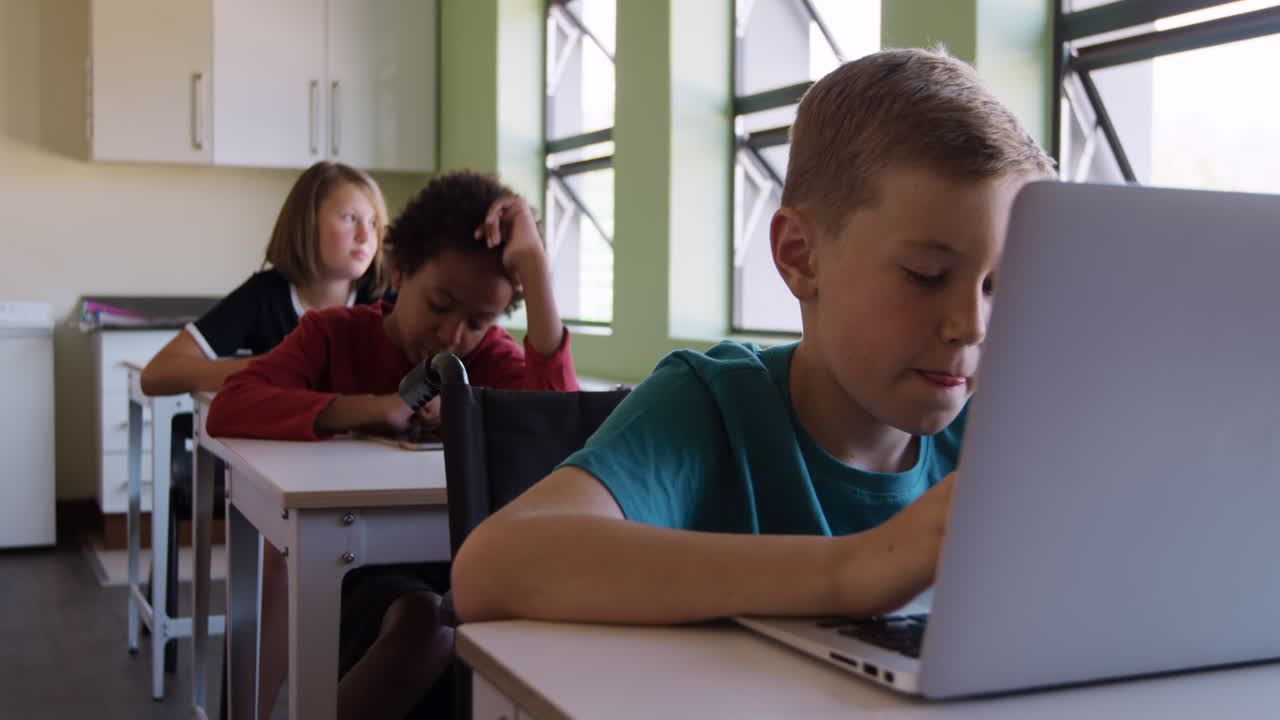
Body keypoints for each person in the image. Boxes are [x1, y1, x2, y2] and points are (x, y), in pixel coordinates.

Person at [449, 48, 1057, 625]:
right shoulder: (714, 406)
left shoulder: (1002, 432)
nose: (970, 326)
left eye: (998, 287)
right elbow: (491, 569)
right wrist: (854, 570)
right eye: (926, 275)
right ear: (801, 256)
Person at [206, 169, 578, 720]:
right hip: (353, 565)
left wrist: (536, 270)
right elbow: (230, 405)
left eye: (478, 320)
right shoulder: (331, 333)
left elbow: (557, 426)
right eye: (439, 304)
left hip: (469, 563)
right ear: (399, 269)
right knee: (424, 627)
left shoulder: (491, 356)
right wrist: (370, 407)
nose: (453, 335)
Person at [140, 161, 390, 395]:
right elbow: (157, 374)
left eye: (373, 223)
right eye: (349, 218)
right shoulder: (264, 295)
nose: (365, 237)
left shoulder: (389, 299)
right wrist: (273, 366)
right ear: (307, 223)